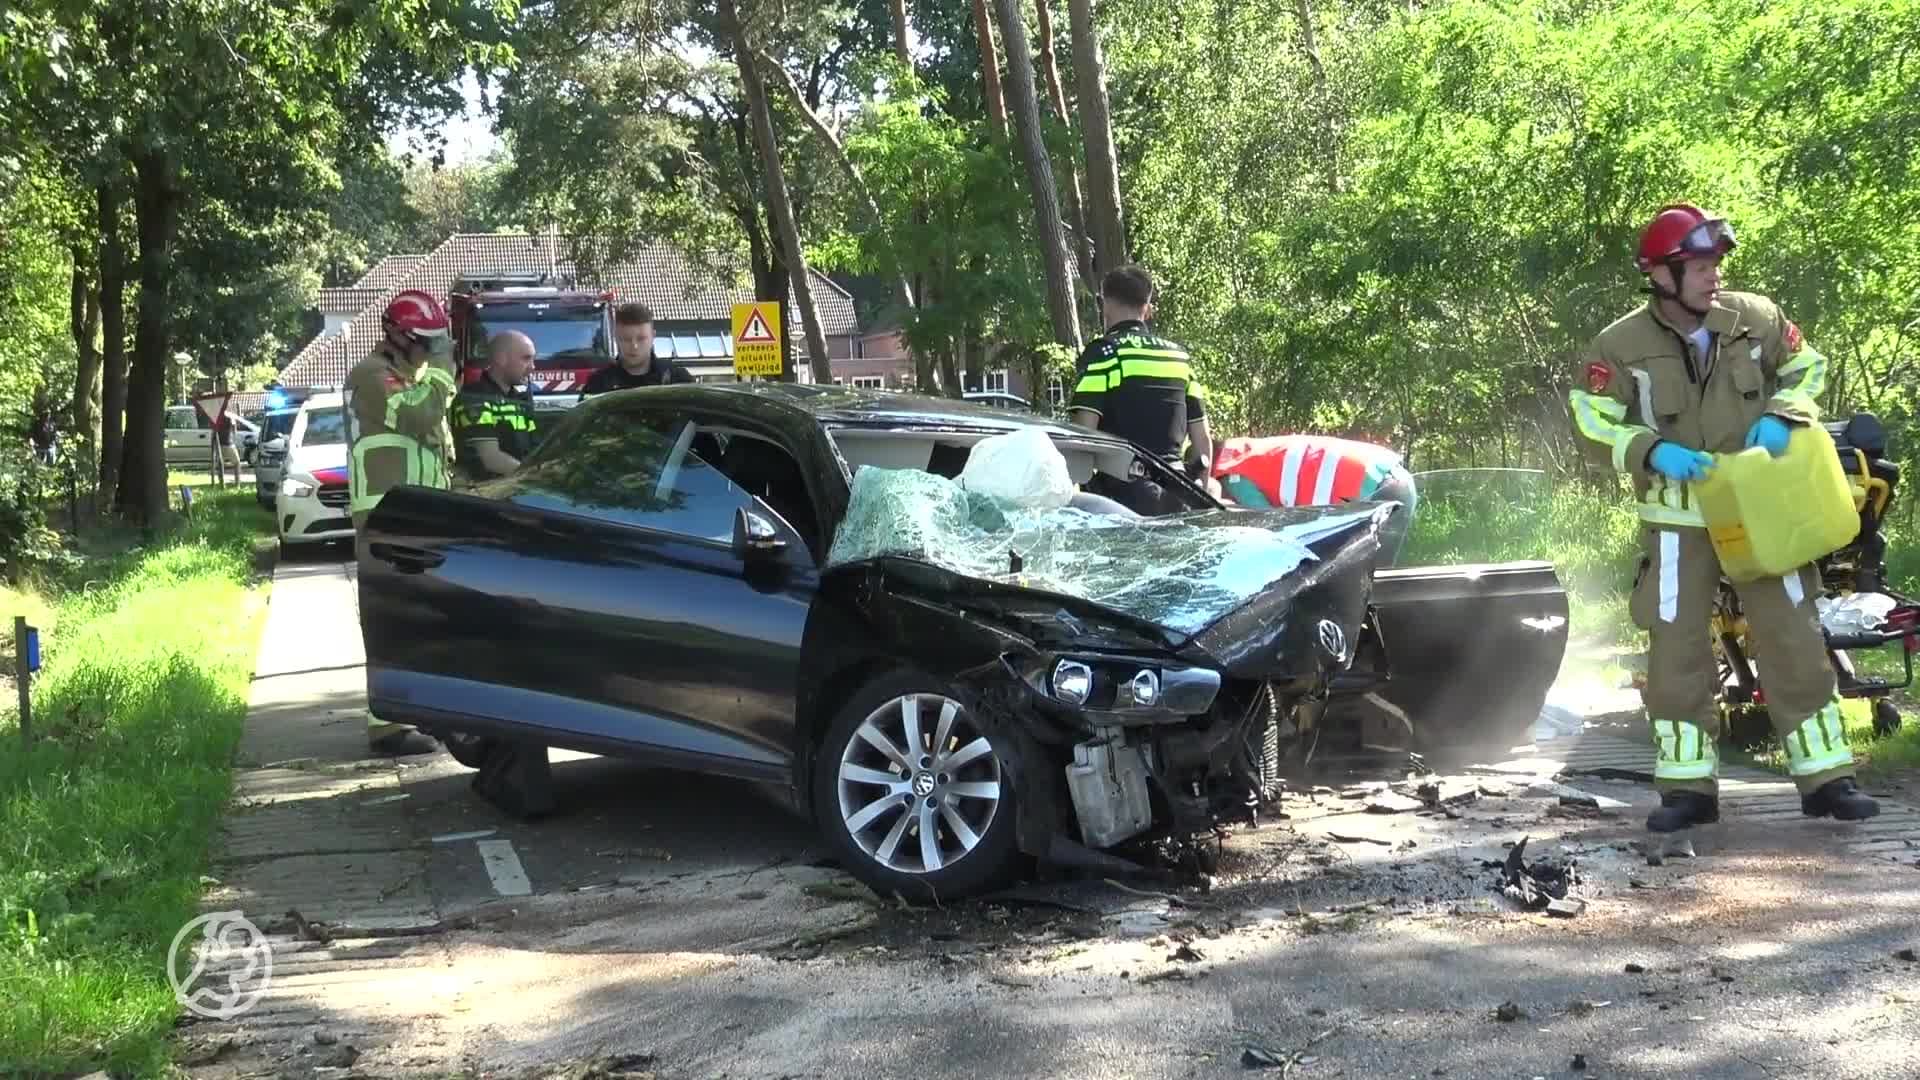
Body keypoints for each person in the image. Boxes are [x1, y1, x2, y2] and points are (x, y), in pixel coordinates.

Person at [1568, 202, 1878, 831]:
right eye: (1700, 266)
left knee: (1792, 635)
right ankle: (1688, 792)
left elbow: (1805, 368)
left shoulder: (1756, 319)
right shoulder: (1618, 345)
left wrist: (1785, 413)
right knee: (1677, 650)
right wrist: (1653, 449)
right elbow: (1590, 423)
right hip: (1679, 521)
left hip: (1762, 509)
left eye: (1717, 264)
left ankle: (1828, 781)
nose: (1714, 276)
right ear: (1661, 274)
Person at [345, 288, 459, 757]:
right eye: (425, 342)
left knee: (420, 618)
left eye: (437, 342)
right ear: (397, 336)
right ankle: (387, 727)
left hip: (414, 514)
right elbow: (421, 414)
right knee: (393, 618)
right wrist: (445, 369)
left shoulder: (408, 376)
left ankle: (418, 711)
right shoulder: (372, 376)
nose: (431, 350)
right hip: (385, 515)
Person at [1066, 265, 1213, 510]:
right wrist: (1201, 499)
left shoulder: (1104, 353)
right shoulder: (1179, 359)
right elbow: (1203, 441)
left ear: (1105, 303)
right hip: (1178, 497)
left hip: (1118, 506)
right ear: (1146, 308)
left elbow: (1084, 433)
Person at [1212, 434, 1417, 569]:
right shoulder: (1248, 452)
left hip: (1372, 492)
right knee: (1385, 584)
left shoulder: (1233, 474)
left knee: (1367, 588)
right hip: (1394, 476)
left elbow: (1271, 527)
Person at [451, 329, 539, 482]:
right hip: (486, 497)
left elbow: (534, 450)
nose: (533, 367)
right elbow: (492, 459)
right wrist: (537, 478)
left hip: (518, 491)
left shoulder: (520, 399)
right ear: (501, 358)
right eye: (526, 359)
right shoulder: (473, 398)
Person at [579, 302, 695, 398]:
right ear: (616, 338)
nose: (634, 346)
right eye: (626, 339)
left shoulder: (678, 380)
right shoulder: (598, 385)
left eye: (641, 339)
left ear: (653, 337)